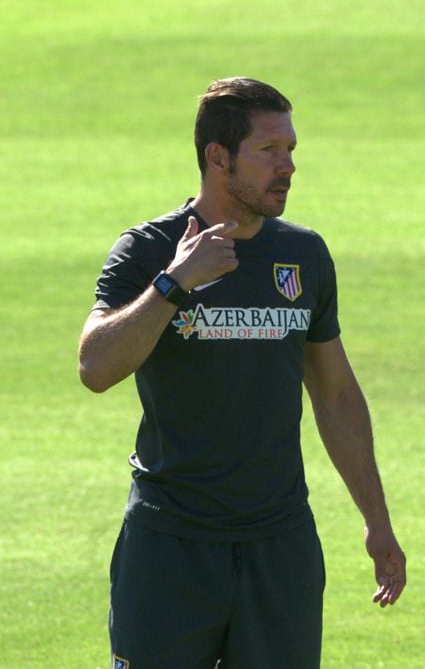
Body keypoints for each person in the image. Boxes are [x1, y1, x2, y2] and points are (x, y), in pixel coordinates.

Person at [78, 77, 406, 668]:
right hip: (169, 544)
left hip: (278, 545)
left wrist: (376, 521)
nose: (288, 167)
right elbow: (95, 366)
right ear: (217, 157)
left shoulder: (303, 256)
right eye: (269, 151)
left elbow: (334, 393)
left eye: (292, 150)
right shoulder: (149, 250)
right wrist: (175, 283)